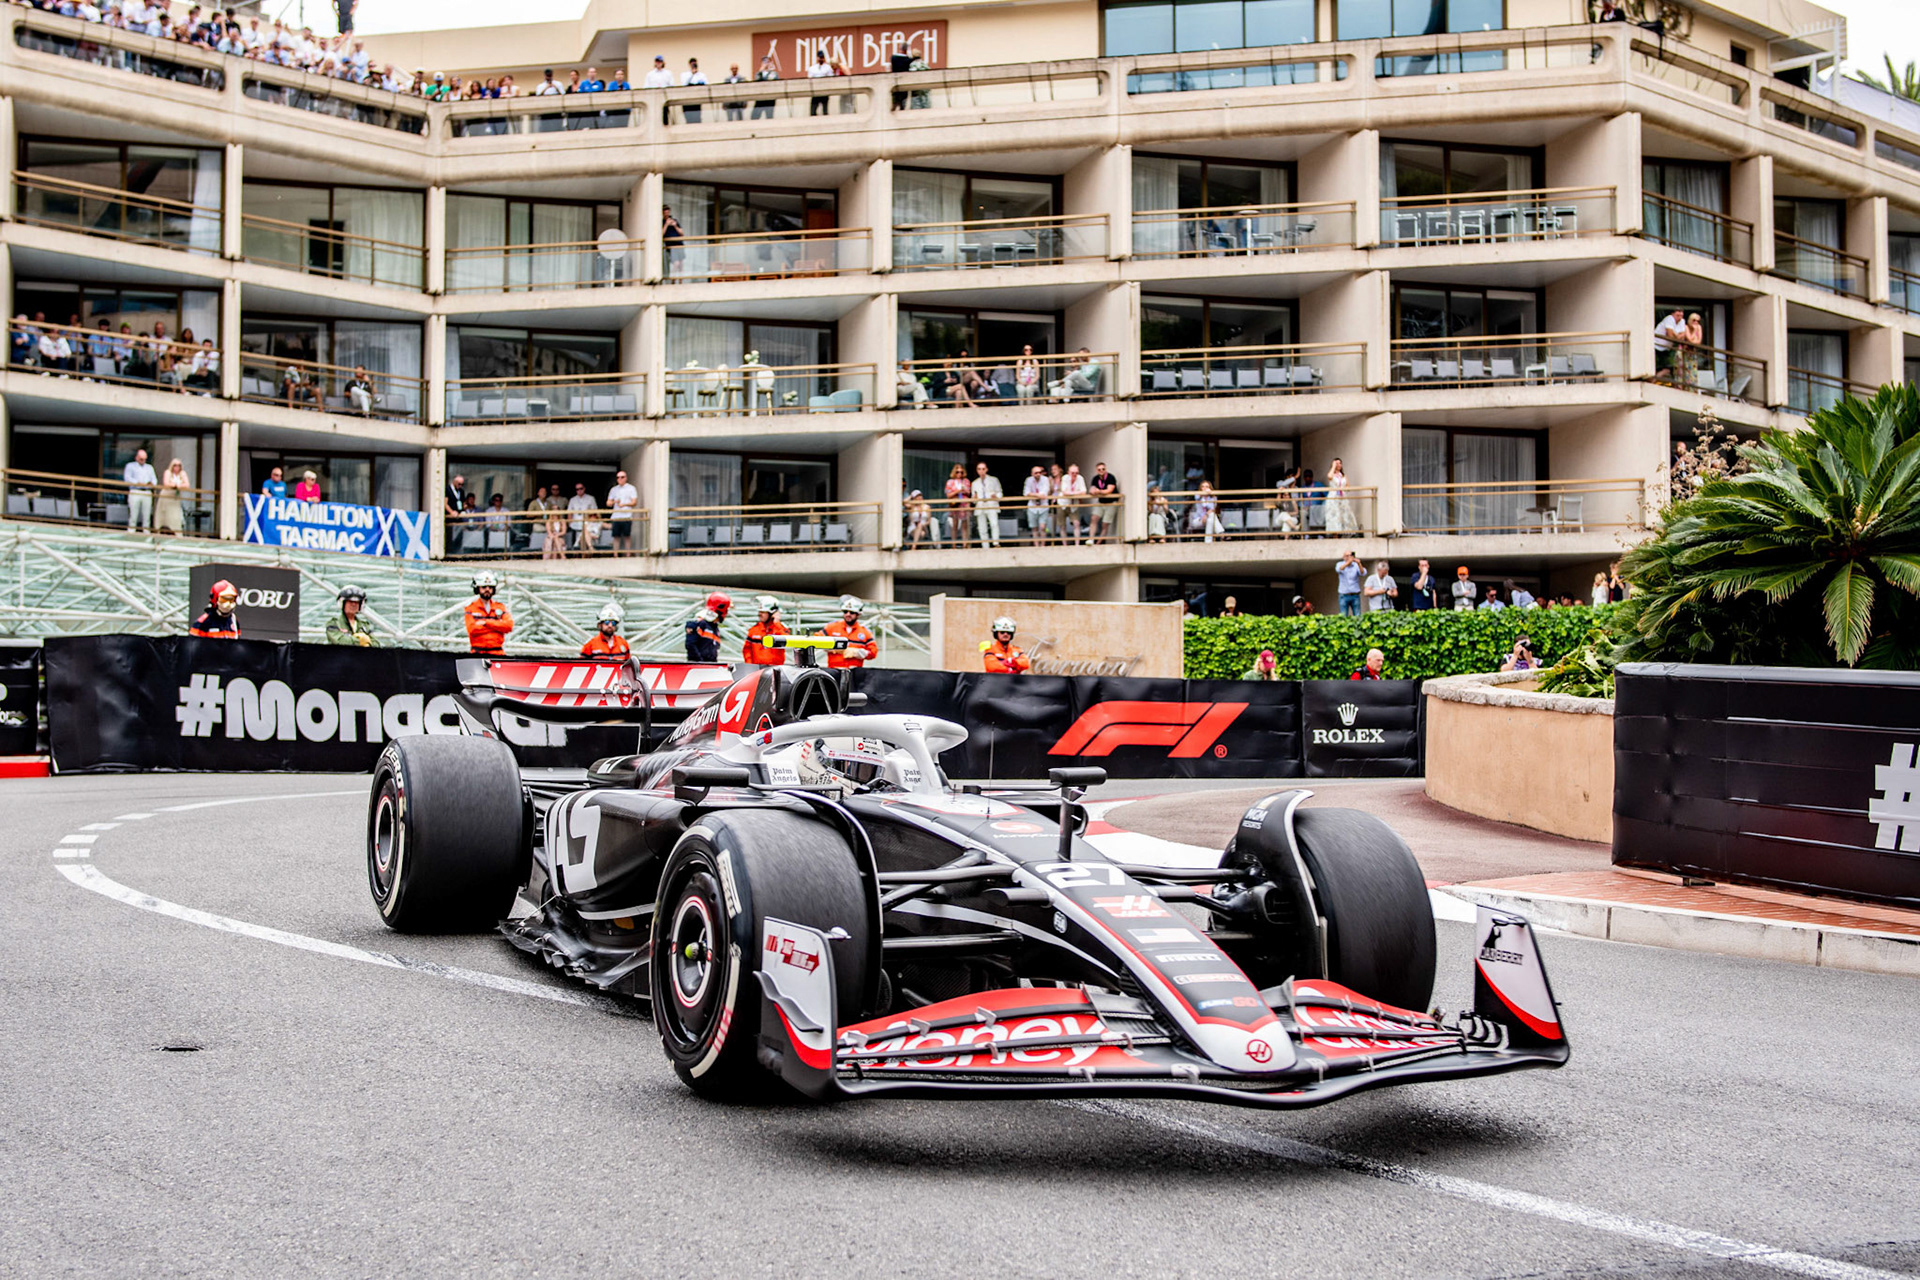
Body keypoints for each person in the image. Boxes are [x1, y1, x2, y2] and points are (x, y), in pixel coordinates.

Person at [820, 595, 877, 668]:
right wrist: (832, 648)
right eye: (845, 611)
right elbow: (817, 639)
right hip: (834, 670)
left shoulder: (865, 632)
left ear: (858, 614)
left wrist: (857, 652)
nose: (848, 614)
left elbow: (873, 652)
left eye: (852, 612)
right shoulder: (832, 627)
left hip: (855, 672)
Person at [464, 571, 513, 654]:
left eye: (490, 587)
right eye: (484, 587)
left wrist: (485, 623)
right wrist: (497, 626)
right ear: (478, 588)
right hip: (477, 652)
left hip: (497, 652)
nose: (487, 590)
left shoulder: (500, 607)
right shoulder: (471, 608)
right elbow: (472, 629)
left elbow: (508, 626)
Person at [743, 596, 789, 665]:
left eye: (763, 612)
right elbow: (747, 651)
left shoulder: (781, 628)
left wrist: (776, 623)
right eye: (760, 611)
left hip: (775, 669)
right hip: (757, 670)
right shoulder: (753, 631)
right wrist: (750, 666)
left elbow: (786, 641)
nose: (759, 614)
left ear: (772, 613)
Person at [123, 448, 158, 531]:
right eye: (141, 459)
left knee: (147, 514)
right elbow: (127, 478)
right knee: (133, 514)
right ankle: (131, 532)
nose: (143, 461)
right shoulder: (130, 466)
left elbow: (154, 479)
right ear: (136, 458)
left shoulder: (149, 467)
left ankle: (146, 532)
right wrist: (138, 483)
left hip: (146, 492)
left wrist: (151, 484)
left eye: (144, 459)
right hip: (135, 491)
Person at [971, 461, 1003, 548]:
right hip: (980, 505)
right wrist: (974, 498)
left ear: (986, 469)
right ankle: (985, 545)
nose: (981, 471)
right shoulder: (974, 483)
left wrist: (996, 496)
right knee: (982, 527)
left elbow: (1000, 493)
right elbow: (973, 500)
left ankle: (996, 543)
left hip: (991, 504)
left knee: (994, 524)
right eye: (979, 469)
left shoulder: (994, 480)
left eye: (983, 469)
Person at [606, 469, 639, 553]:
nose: (620, 479)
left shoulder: (631, 488)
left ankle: (628, 554)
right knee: (616, 536)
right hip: (616, 516)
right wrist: (614, 502)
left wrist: (624, 505)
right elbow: (608, 503)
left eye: (622, 477)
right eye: (618, 477)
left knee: (627, 536)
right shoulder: (614, 489)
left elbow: (634, 502)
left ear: (626, 478)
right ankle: (615, 554)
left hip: (626, 516)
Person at [1088, 461, 1120, 543]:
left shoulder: (1110, 477)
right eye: (1099, 469)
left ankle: (1099, 543)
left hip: (1111, 503)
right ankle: (1091, 539)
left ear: (1106, 469)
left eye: (1103, 469)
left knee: (1105, 524)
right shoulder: (1096, 478)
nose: (1101, 471)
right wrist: (1093, 491)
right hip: (1101, 502)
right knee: (1094, 518)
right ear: (1097, 470)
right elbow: (1092, 489)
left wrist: (1098, 491)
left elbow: (1109, 490)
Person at [1653, 306, 1687, 383]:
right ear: (1673, 314)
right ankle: (1653, 381)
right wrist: (1677, 336)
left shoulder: (1682, 321)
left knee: (1668, 368)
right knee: (1656, 367)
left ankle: (1655, 381)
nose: (1679, 318)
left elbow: (1682, 336)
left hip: (1667, 348)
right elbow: (1670, 335)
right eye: (1677, 315)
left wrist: (1676, 335)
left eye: (1681, 316)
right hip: (1656, 346)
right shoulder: (1669, 319)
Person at [1322, 457, 1356, 533]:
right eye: (1336, 463)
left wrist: (1344, 489)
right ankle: (1335, 534)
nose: (1338, 465)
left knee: (1344, 515)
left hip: (1342, 497)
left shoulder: (1343, 475)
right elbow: (1329, 476)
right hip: (1333, 497)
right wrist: (1333, 466)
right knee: (1335, 516)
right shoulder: (1332, 474)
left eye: (1340, 463)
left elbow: (1348, 486)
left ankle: (1345, 533)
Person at [1058, 463, 1090, 543]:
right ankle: (1064, 545)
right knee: (1062, 526)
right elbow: (1064, 492)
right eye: (1073, 473)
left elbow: (1084, 492)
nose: (1075, 475)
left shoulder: (1080, 478)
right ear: (1068, 472)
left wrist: (1071, 493)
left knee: (1077, 523)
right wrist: (1077, 493)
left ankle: (1077, 544)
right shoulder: (1065, 478)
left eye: (1076, 473)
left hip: (1074, 504)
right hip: (1062, 503)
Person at [156, 458, 190, 534]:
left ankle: (176, 532)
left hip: (175, 498)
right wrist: (175, 485)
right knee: (165, 515)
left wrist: (179, 486)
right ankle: (162, 532)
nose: (177, 467)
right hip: (167, 495)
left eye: (179, 465)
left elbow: (187, 484)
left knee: (175, 516)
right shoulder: (168, 472)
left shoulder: (182, 473)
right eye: (175, 465)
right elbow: (166, 483)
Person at [943, 463, 973, 547]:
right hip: (955, 504)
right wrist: (958, 491)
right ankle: (954, 544)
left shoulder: (966, 481)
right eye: (957, 472)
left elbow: (968, 492)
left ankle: (965, 544)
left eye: (961, 472)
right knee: (954, 525)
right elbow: (948, 495)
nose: (959, 474)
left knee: (964, 525)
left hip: (964, 504)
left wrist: (963, 490)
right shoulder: (950, 482)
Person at [1023, 465, 1052, 545]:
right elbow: (1026, 493)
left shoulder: (1045, 479)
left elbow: (1044, 493)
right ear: (1032, 474)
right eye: (1036, 473)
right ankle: (1036, 546)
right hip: (1032, 506)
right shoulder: (1029, 480)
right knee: (1034, 528)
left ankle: (1043, 545)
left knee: (1043, 527)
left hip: (1043, 506)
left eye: (1040, 472)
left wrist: (1032, 494)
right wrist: (1037, 495)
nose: (1038, 474)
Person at [566, 481, 595, 551]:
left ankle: (587, 549)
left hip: (587, 523)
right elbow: (569, 513)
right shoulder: (572, 500)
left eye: (581, 488)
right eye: (577, 489)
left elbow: (594, 512)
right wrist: (569, 524)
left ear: (584, 489)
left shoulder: (591, 498)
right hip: (575, 523)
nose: (579, 490)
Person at [1334, 549, 1364, 616]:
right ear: (1343, 557)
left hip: (1355, 595)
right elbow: (1339, 569)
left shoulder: (1356, 565)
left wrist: (1359, 563)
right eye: (1347, 556)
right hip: (1343, 595)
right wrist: (1348, 563)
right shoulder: (1340, 564)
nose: (1348, 557)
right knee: (1343, 615)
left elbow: (1363, 573)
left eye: (1350, 555)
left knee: (1357, 615)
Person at [751, 55, 779, 120]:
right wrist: (761, 70)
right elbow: (756, 80)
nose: (766, 63)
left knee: (769, 116)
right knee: (754, 116)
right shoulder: (758, 73)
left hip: (770, 98)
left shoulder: (774, 73)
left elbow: (775, 83)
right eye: (764, 62)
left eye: (768, 62)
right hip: (760, 98)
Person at [807, 48, 833, 116]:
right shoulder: (812, 68)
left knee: (825, 110)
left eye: (822, 57)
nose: (821, 59)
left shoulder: (828, 67)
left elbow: (831, 78)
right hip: (815, 91)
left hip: (824, 90)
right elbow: (809, 79)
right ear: (817, 58)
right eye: (819, 57)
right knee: (813, 110)